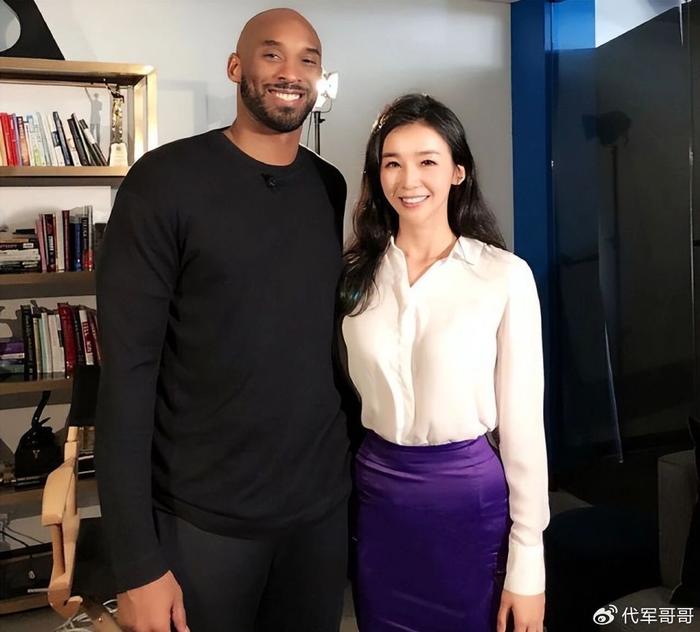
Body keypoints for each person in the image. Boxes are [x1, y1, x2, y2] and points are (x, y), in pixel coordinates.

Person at [95, 9, 350, 632]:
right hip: (204, 519)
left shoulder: (330, 185)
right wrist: (135, 561)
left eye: (309, 59)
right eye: (272, 54)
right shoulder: (163, 182)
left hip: (318, 513)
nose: (291, 72)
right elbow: (127, 375)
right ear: (236, 67)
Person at [339, 94, 550, 632]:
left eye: (427, 161)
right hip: (379, 499)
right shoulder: (355, 276)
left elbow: (524, 428)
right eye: (393, 163)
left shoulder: (503, 276)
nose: (408, 179)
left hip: (468, 502)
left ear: (459, 171)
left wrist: (529, 561)